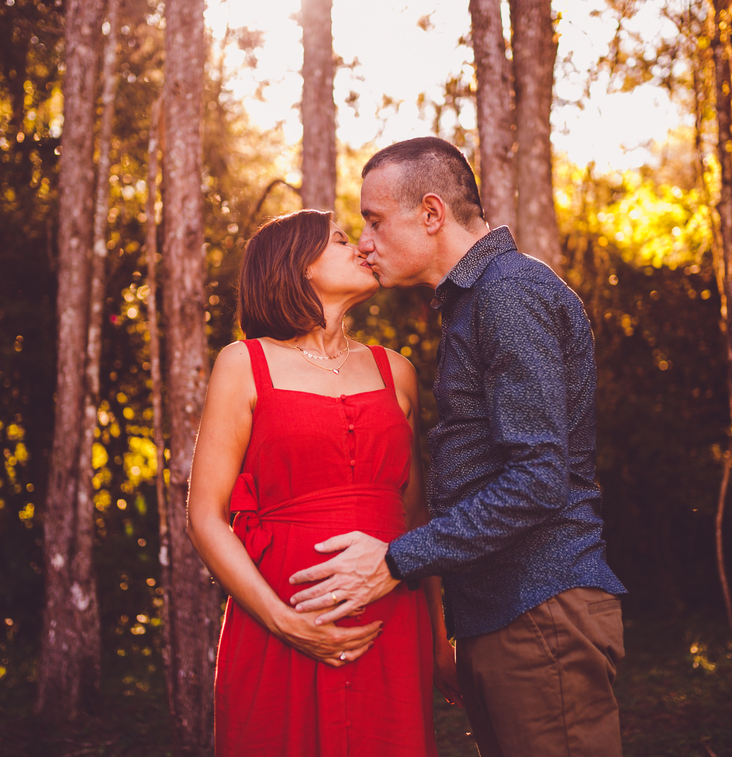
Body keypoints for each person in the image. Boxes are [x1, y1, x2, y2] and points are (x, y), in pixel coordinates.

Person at [287, 138, 628, 757]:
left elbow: (538, 479)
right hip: (501, 616)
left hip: (540, 609)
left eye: (373, 219)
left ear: (432, 213)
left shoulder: (508, 292)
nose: (365, 241)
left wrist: (396, 559)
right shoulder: (473, 304)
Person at [186, 209, 459, 757]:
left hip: (390, 621)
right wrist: (284, 621)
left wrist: (440, 639)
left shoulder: (394, 371)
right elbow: (205, 516)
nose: (361, 246)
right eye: (340, 239)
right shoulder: (244, 364)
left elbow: (416, 519)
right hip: (281, 616)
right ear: (298, 265)